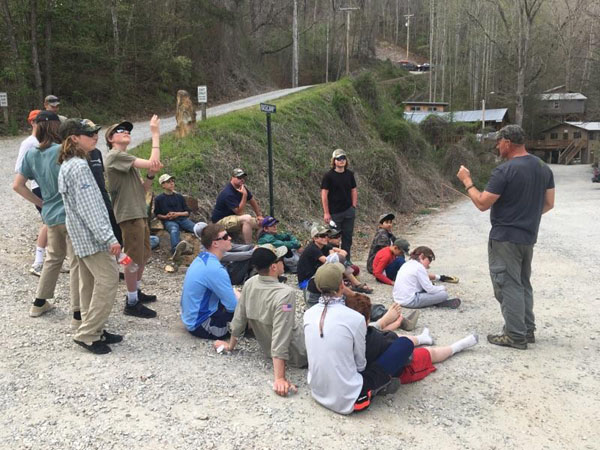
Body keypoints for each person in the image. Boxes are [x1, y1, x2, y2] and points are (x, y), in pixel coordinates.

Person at [457, 124, 555, 350]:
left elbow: (482, 203)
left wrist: (466, 181)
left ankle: (515, 335)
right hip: (528, 237)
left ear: (508, 142)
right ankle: (526, 330)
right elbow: (549, 203)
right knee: (522, 283)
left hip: (505, 238)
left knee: (507, 284)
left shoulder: (505, 170)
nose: (497, 146)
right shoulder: (543, 167)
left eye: (498, 142)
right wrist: (525, 214)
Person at [344, 293, 478, 411]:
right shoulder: (374, 339)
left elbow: (373, 329)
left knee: (395, 338)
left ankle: (421, 338)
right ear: (367, 319)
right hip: (395, 370)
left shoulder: (343, 336)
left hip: (368, 362)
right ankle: (457, 347)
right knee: (429, 353)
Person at [57, 119, 122, 354]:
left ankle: (94, 329)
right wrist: (110, 238)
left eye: (95, 133)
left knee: (90, 283)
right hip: (92, 238)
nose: (95, 136)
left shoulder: (70, 164)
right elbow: (90, 209)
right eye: (89, 134)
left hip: (81, 236)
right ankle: (87, 333)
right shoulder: (79, 167)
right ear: (74, 138)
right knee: (108, 280)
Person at [13, 111, 80, 321]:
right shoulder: (63, 151)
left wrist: (41, 203)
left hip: (50, 214)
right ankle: (78, 310)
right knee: (76, 261)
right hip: (69, 213)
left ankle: (39, 302)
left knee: (53, 258)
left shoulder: (32, 153)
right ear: (54, 126)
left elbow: (17, 185)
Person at [214, 245, 307, 396]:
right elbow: (281, 333)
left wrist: (230, 346)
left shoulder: (250, 283)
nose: (284, 262)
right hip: (299, 354)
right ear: (274, 267)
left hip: (267, 349)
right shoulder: (285, 294)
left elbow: (239, 317)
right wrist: (280, 378)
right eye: (281, 260)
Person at [105, 117, 162, 318]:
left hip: (139, 213)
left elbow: (143, 188)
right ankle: (131, 302)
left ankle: (135, 291)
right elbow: (153, 161)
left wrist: (151, 176)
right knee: (131, 259)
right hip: (129, 215)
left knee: (143, 255)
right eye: (120, 130)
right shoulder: (114, 156)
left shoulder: (127, 161)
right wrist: (155, 133)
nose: (126, 132)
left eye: (128, 130)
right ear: (111, 138)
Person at [181, 223, 239, 339]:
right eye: (225, 236)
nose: (230, 238)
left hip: (191, 318)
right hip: (202, 325)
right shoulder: (215, 269)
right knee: (247, 312)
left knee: (237, 296)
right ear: (215, 243)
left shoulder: (202, 258)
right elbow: (233, 307)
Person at [14, 109, 47, 276]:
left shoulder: (47, 140)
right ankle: (38, 262)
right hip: (38, 187)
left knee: (53, 225)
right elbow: (19, 168)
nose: (41, 123)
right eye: (37, 120)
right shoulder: (29, 142)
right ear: (32, 122)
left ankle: (51, 260)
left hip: (48, 186)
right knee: (49, 223)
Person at [393, 246, 461, 309]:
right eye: (429, 259)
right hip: (410, 301)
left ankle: (434, 301)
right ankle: (437, 302)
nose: (430, 263)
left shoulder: (407, 264)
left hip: (397, 298)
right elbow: (430, 289)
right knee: (444, 294)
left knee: (432, 288)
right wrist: (442, 288)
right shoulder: (419, 267)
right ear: (422, 256)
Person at [321, 149, 357, 258]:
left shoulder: (349, 174)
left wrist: (353, 206)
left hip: (348, 211)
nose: (341, 161)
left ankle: (346, 259)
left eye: (343, 158)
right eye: (338, 158)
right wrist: (326, 213)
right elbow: (324, 194)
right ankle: (333, 260)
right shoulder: (328, 176)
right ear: (334, 161)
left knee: (347, 237)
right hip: (334, 213)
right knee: (333, 238)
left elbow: (353, 190)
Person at [211, 168, 263, 244]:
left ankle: (261, 244)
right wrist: (244, 195)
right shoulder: (228, 193)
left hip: (234, 218)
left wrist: (259, 215)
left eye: (243, 178)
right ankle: (249, 247)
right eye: (239, 178)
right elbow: (240, 212)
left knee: (264, 222)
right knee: (246, 218)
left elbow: (252, 200)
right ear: (232, 178)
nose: (242, 180)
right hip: (220, 221)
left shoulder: (242, 188)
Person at [154, 173, 195, 258]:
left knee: (196, 228)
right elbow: (157, 214)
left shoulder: (179, 197)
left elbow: (187, 212)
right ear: (163, 185)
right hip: (169, 221)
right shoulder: (159, 199)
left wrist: (177, 214)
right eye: (168, 182)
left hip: (182, 219)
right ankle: (175, 250)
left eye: (172, 181)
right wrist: (166, 217)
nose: (172, 183)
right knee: (174, 229)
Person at [324, 228, 372, 294]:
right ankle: (354, 283)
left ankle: (350, 282)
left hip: (338, 269)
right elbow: (336, 258)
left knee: (354, 268)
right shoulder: (328, 247)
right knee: (354, 268)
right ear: (329, 239)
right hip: (330, 271)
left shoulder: (333, 246)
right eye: (335, 237)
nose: (338, 238)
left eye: (339, 236)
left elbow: (344, 253)